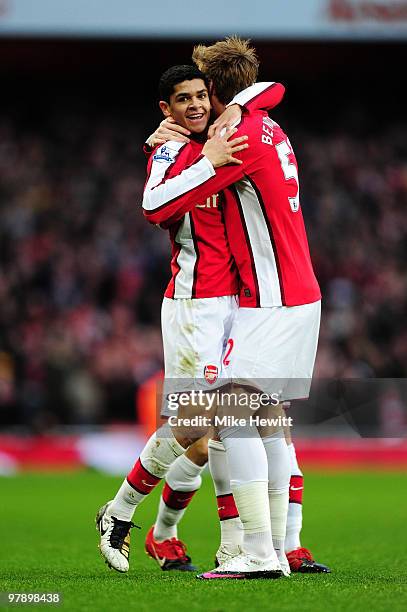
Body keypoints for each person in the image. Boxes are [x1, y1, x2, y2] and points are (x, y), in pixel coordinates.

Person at [142, 37, 323, 580]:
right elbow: (273, 88)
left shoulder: (234, 137)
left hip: (273, 297)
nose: (196, 104)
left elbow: (159, 206)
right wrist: (243, 103)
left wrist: (162, 151)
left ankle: (256, 554)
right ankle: (282, 546)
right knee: (269, 421)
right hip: (296, 293)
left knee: (229, 415)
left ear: (214, 90)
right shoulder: (268, 121)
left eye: (203, 91)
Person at [95, 64, 283, 576]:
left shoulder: (224, 130)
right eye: (184, 99)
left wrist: (237, 113)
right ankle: (120, 512)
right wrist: (208, 160)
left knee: (216, 435)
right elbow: (153, 206)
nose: (196, 106)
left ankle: (201, 540)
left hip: (237, 303)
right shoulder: (170, 150)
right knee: (200, 425)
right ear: (167, 109)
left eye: (203, 96)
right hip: (194, 305)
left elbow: (273, 87)